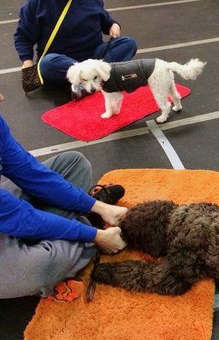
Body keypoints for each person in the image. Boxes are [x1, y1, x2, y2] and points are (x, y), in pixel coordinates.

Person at [0, 108, 128, 300]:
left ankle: (66, 226)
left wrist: (97, 206)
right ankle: (83, 227)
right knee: (37, 269)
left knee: (74, 164)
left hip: (7, 211)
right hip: (12, 216)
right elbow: (22, 218)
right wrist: (94, 236)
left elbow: (28, 172)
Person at [13, 0, 137, 99]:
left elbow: (106, 22)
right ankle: (94, 79)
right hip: (61, 62)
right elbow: (23, 35)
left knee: (128, 43)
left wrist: (114, 26)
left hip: (93, 56)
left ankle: (84, 83)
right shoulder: (38, 1)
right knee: (47, 64)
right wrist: (27, 62)